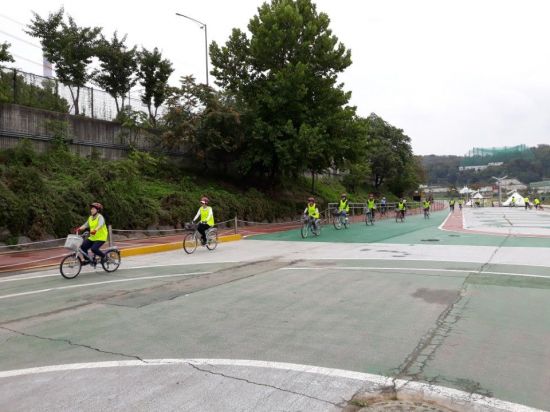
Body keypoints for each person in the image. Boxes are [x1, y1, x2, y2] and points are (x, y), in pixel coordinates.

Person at [77, 202, 108, 266]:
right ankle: (88, 260)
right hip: (93, 237)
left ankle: (104, 256)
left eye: (93, 209)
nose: (91, 210)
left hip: (101, 237)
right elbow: (86, 225)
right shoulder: (90, 218)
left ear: (98, 210)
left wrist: (95, 230)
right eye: (91, 209)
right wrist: (79, 229)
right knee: (83, 247)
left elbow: (100, 225)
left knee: (94, 249)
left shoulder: (100, 217)